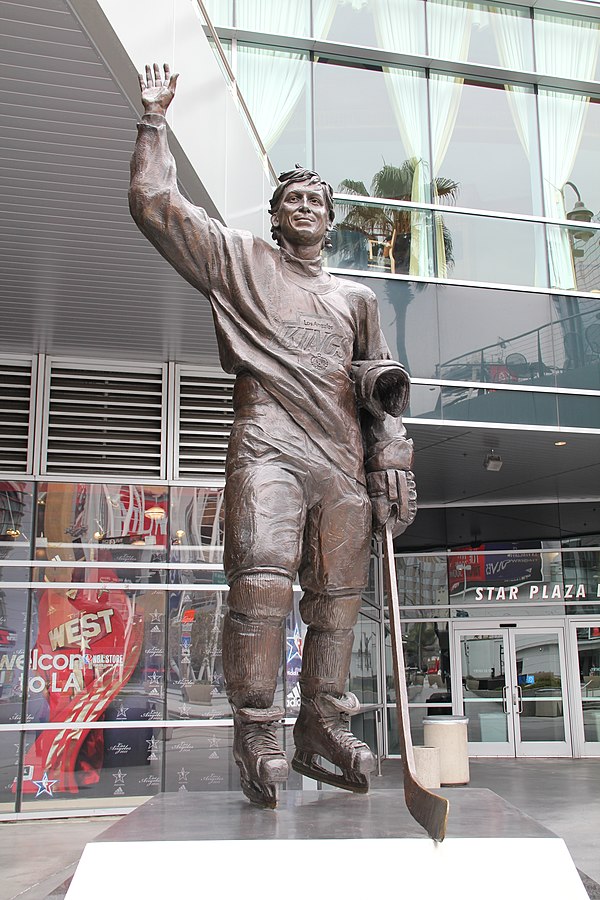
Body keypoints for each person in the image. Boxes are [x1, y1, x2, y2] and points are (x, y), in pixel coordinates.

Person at [129, 64, 416, 808]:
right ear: (276, 215)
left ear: (332, 217)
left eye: (318, 200)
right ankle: (257, 726)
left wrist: (391, 456)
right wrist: (155, 123)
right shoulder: (242, 264)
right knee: (260, 587)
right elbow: (158, 204)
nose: (306, 208)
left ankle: (320, 723)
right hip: (268, 445)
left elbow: (380, 387)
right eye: (293, 200)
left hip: (340, 460)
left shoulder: (358, 297)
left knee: (338, 599)